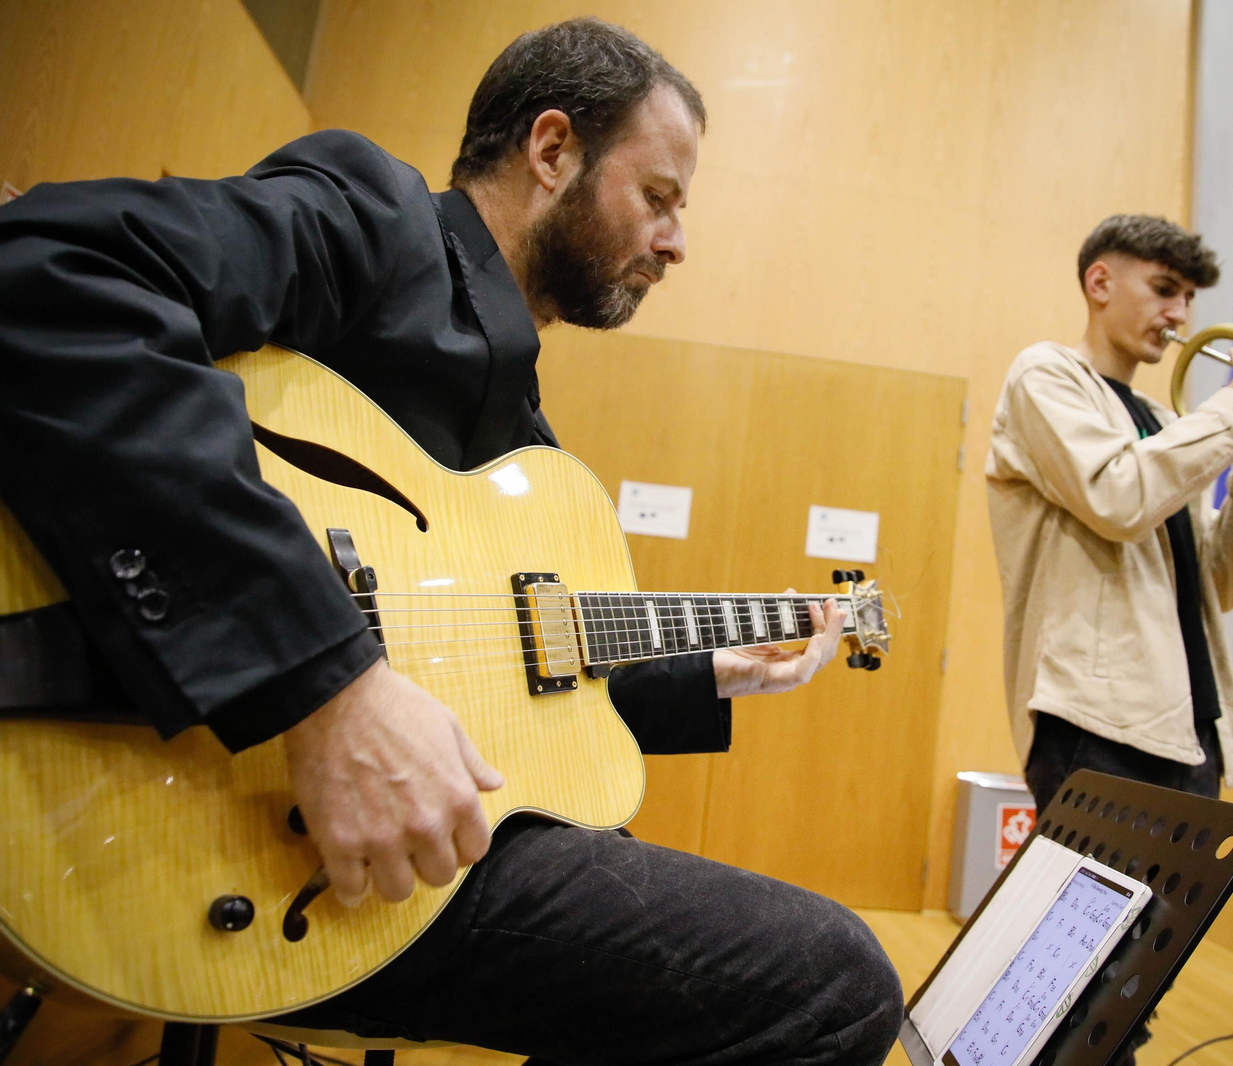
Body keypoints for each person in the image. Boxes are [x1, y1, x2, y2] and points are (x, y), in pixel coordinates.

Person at [0, 18, 902, 1065]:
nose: (676, 243)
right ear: (553, 150)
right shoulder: (373, 218)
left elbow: (502, 676)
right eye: (658, 196)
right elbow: (49, 273)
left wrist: (710, 672)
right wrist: (326, 684)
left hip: (373, 861)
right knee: (830, 982)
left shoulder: (524, 443)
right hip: (194, 811)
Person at [985, 214, 1233, 1060]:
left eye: (1188, 297)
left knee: (1132, 989)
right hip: (1096, 724)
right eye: (1163, 289)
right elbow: (1119, 497)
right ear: (1101, 283)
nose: (1179, 314)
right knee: (1078, 984)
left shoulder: (1159, 417)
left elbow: (1222, 584)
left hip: (1187, 732)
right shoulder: (1047, 378)